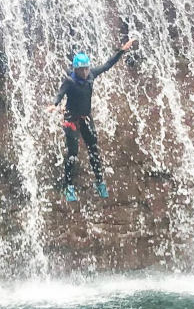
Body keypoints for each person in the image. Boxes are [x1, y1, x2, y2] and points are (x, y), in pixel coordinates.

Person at [47, 39, 137, 202]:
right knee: (73, 154)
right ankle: (68, 186)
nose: (85, 72)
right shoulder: (70, 81)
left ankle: (100, 182)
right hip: (71, 120)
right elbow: (60, 94)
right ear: (76, 69)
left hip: (86, 118)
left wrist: (122, 51)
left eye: (87, 68)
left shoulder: (91, 75)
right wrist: (54, 105)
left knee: (94, 150)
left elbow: (107, 65)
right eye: (82, 69)